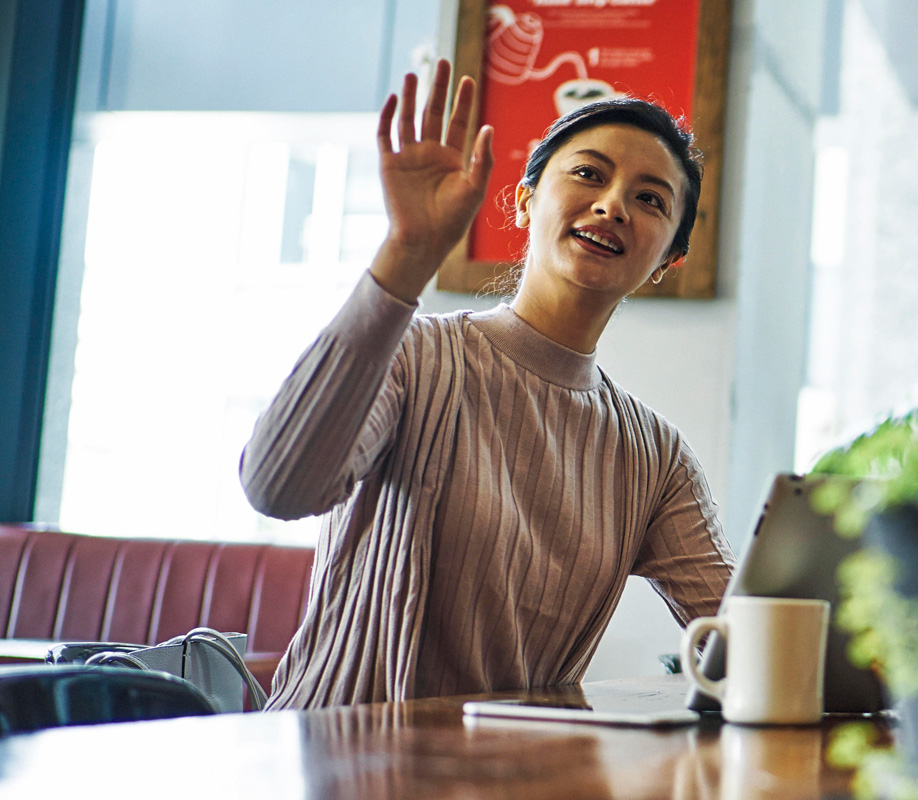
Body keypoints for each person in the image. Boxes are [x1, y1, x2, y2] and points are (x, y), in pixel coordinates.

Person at [241, 61, 734, 709]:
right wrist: (406, 255)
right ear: (527, 199)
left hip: (511, 771)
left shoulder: (655, 456)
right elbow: (278, 485)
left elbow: (740, 633)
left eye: (650, 199)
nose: (613, 205)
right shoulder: (414, 355)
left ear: (669, 258)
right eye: (588, 173)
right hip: (335, 759)